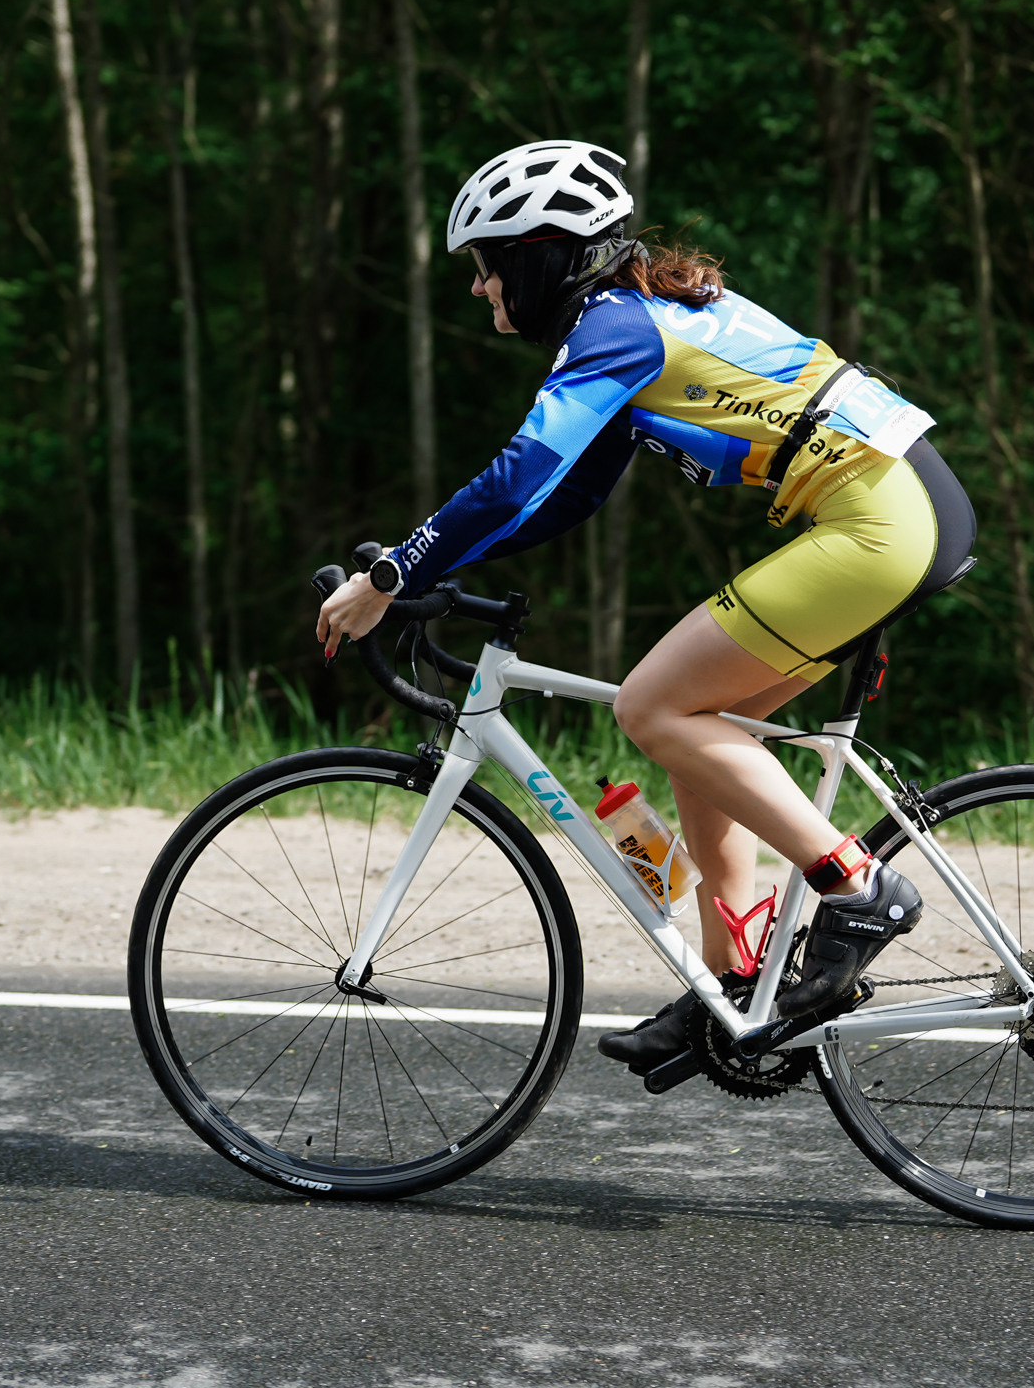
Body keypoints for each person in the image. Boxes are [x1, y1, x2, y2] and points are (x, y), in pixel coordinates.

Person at [315, 139, 976, 1080]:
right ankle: (734, 979)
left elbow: (515, 479)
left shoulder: (618, 327)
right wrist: (428, 570)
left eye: (486, 265)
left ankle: (858, 886)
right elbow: (569, 496)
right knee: (703, 722)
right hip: (898, 506)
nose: (478, 288)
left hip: (883, 517)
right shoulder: (632, 322)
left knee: (651, 705)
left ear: (542, 253)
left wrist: (386, 580)